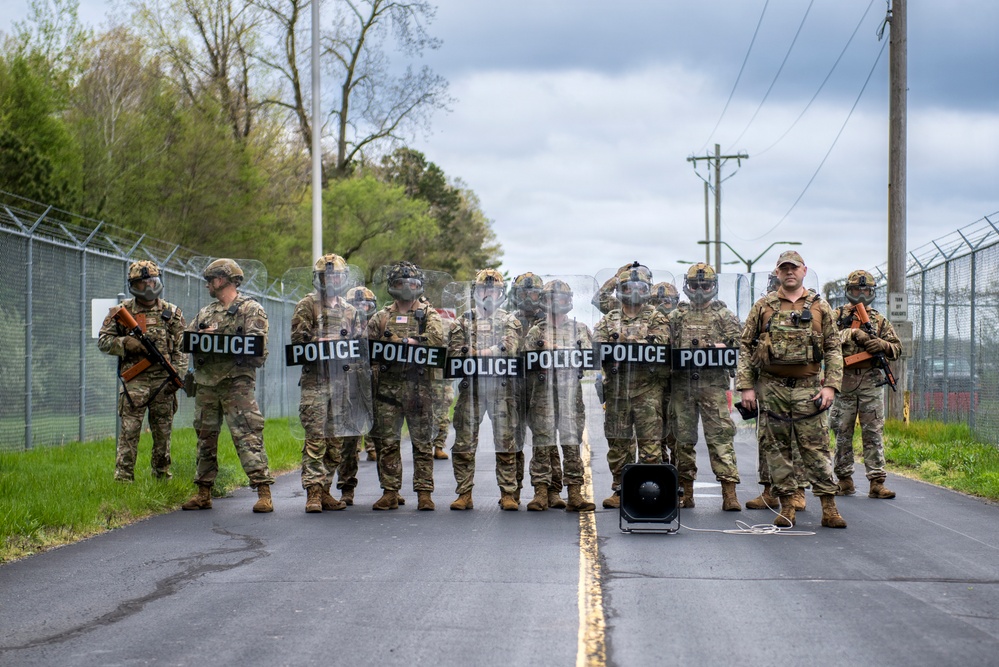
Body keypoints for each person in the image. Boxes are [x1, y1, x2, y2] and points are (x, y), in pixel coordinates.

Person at [736, 251, 847, 528]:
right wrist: (746, 387)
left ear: (804, 271)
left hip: (808, 390)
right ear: (777, 272)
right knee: (776, 451)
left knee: (816, 450)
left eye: (794, 268)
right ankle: (787, 507)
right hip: (771, 388)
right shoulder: (763, 306)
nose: (789, 272)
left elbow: (834, 348)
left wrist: (831, 386)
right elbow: (746, 347)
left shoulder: (820, 307)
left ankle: (829, 508)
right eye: (784, 268)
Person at [182, 259, 275, 512]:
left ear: (221, 280)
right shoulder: (206, 313)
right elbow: (185, 341)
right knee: (205, 437)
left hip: (236, 385)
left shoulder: (250, 310)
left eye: (210, 280)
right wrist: (200, 338)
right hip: (207, 385)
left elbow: (258, 351)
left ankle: (263, 492)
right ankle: (203, 492)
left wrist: (221, 340)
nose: (207, 285)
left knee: (248, 435)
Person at [291, 254, 368, 513]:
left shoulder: (350, 311)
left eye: (337, 276)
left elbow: (360, 348)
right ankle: (313, 493)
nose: (332, 280)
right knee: (316, 439)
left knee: (336, 442)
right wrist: (320, 341)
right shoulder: (307, 305)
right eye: (328, 276)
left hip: (341, 384)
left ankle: (325, 489)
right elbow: (298, 343)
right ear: (320, 278)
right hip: (315, 382)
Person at [98, 260, 186, 482]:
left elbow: (182, 348)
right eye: (142, 283)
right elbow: (103, 341)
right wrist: (125, 343)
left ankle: (162, 477)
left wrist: (177, 375)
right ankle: (123, 479)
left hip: (164, 383)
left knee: (163, 435)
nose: (148, 287)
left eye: (152, 282)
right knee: (129, 433)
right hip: (134, 383)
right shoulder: (122, 311)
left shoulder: (171, 313)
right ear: (132, 285)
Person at [366, 261, 444, 511]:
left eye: (412, 283)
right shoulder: (381, 317)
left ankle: (424, 493)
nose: (407, 288)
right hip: (387, 390)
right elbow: (366, 348)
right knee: (387, 443)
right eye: (401, 283)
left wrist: (413, 341)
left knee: (422, 443)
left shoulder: (429, 314)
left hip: (419, 389)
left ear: (419, 285)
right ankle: (390, 492)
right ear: (392, 286)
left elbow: (438, 340)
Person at [593, 263, 670, 509]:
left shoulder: (656, 316)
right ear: (620, 290)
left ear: (647, 290)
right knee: (618, 445)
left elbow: (661, 343)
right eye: (628, 287)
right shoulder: (609, 318)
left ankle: (648, 493)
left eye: (639, 287)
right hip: (617, 391)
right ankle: (620, 490)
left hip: (647, 391)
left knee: (650, 447)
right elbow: (598, 345)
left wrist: (623, 344)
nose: (634, 291)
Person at [669, 264, 742, 511]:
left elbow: (741, 347)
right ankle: (685, 492)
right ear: (687, 287)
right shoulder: (677, 316)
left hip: (713, 386)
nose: (700, 289)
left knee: (720, 438)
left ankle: (729, 493)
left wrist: (723, 347)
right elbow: (664, 346)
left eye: (705, 285)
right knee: (682, 440)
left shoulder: (724, 316)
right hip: (683, 387)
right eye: (695, 285)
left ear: (713, 286)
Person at [448, 269, 522, 510]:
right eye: (484, 290)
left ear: (501, 293)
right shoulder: (463, 321)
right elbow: (454, 352)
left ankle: (508, 493)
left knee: (505, 443)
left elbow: (510, 348)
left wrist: (479, 352)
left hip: (502, 390)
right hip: (472, 390)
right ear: (476, 292)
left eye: (494, 290)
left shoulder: (509, 320)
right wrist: (488, 350)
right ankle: (464, 494)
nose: (488, 294)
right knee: (464, 444)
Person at [524, 279, 596, 512]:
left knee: (572, 444)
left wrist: (554, 349)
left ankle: (575, 493)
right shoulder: (536, 331)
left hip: (570, 396)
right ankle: (541, 493)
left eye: (561, 298)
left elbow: (588, 356)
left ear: (569, 300)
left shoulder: (579, 328)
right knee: (542, 445)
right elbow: (526, 361)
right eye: (552, 298)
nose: (557, 302)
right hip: (542, 395)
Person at [830, 270, 902, 499]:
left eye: (865, 290)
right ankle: (844, 480)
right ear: (848, 291)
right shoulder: (836, 316)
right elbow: (824, 339)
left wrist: (881, 344)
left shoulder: (879, 320)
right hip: (844, 380)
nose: (861, 293)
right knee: (842, 431)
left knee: (873, 432)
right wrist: (852, 334)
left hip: (871, 382)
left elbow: (897, 348)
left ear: (872, 292)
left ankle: (877, 481)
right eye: (856, 289)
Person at [510, 271, 561, 506]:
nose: (528, 297)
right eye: (523, 293)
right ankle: (513, 491)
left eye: (533, 293)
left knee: (546, 441)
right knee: (514, 440)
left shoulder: (550, 320)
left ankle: (552, 490)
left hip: (543, 387)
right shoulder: (510, 320)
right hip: (514, 386)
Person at [335, 285, 379, 505]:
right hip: (351, 388)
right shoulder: (341, 324)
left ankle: (391, 490)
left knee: (385, 441)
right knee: (349, 442)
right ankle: (346, 488)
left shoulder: (380, 324)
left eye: (366, 305)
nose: (362, 309)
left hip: (377, 388)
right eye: (357, 304)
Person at [649, 281, 680, 466]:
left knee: (677, 436)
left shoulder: (682, 319)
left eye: (667, 301)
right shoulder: (646, 321)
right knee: (654, 435)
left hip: (677, 386)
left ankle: (678, 475)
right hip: (652, 384)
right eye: (656, 301)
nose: (661, 306)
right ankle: (660, 472)